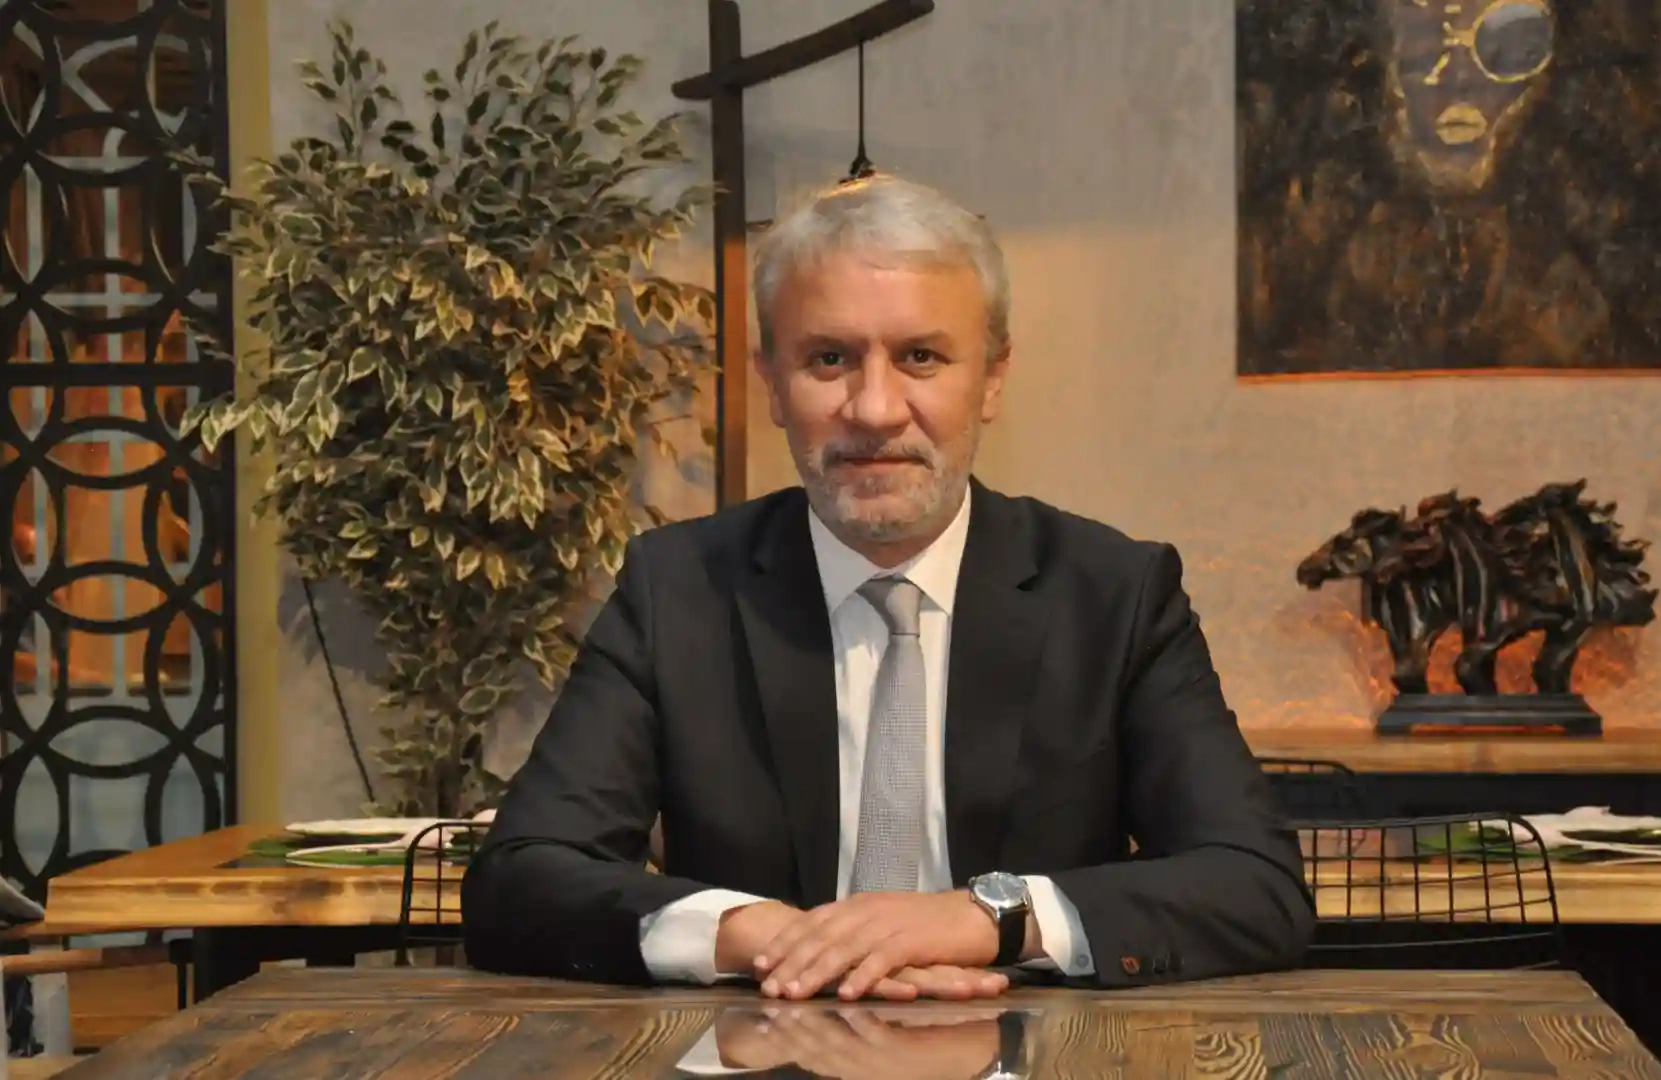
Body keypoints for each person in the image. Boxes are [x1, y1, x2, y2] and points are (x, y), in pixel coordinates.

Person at [461, 175, 1314, 1002]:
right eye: (828, 358)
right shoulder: (678, 589)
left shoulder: (1114, 594)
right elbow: (521, 878)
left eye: (920, 357)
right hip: (762, 1046)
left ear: (992, 378)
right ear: (772, 384)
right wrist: (756, 934)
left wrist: (986, 919)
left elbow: (1254, 882)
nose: (873, 410)